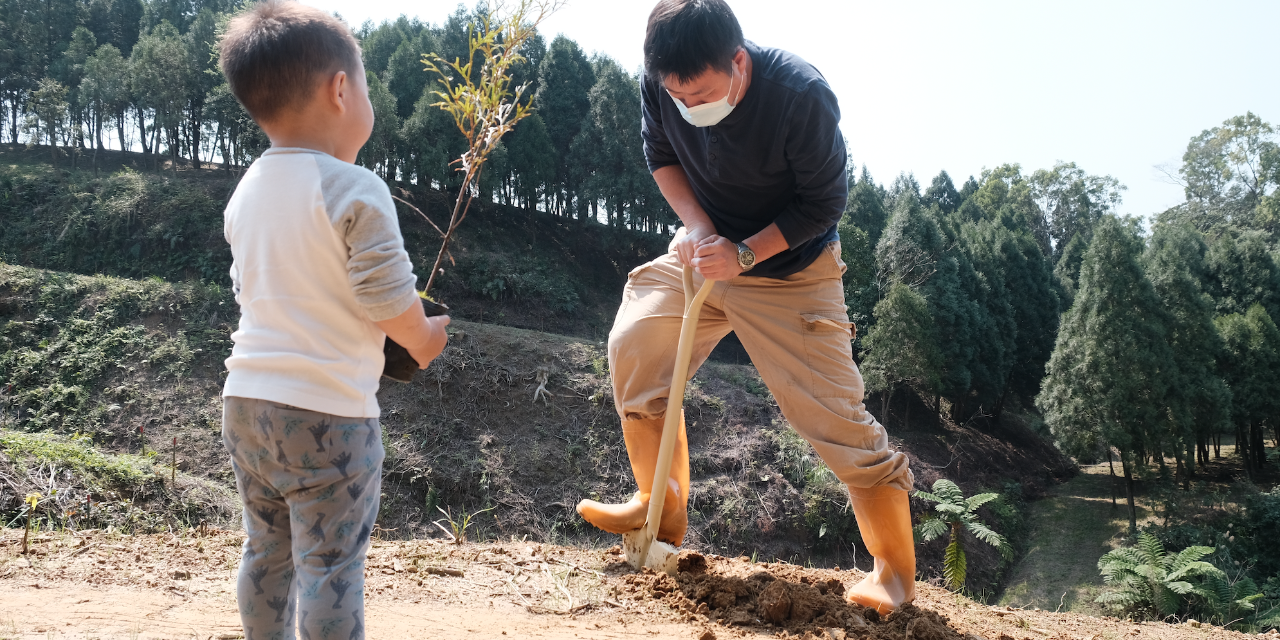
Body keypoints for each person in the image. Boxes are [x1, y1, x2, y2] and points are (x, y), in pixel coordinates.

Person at [576, 0, 916, 615]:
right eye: (678, 96)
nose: (689, 107)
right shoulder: (664, 83)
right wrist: (701, 230)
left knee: (833, 417)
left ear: (738, 61)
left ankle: (892, 571)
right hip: (708, 255)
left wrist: (745, 254)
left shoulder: (800, 95)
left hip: (790, 268)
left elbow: (823, 204)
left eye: (701, 93)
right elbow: (662, 158)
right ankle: (662, 503)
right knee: (635, 341)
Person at [216, 2, 450, 637]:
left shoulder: (246, 190)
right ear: (340, 89)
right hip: (328, 416)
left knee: (266, 552)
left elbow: (251, 290)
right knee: (330, 564)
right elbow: (384, 296)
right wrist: (425, 337)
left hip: (246, 405)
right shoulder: (354, 187)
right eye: (367, 85)